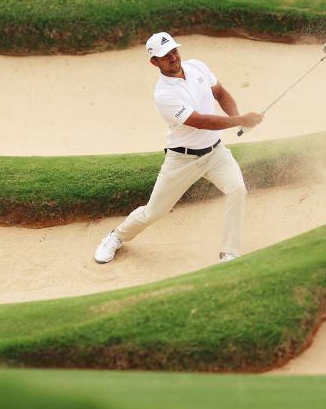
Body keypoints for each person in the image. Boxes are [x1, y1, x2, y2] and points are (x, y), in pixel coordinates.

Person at [94, 32, 263, 264]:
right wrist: (240, 120)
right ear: (154, 62)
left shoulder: (197, 67)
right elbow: (200, 121)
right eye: (165, 55)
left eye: (174, 51)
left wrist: (237, 116)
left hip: (216, 152)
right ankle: (116, 237)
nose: (173, 57)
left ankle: (229, 252)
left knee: (237, 190)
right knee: (154, 212)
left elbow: (221, 94)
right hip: (182, 159)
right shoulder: (163, 94)